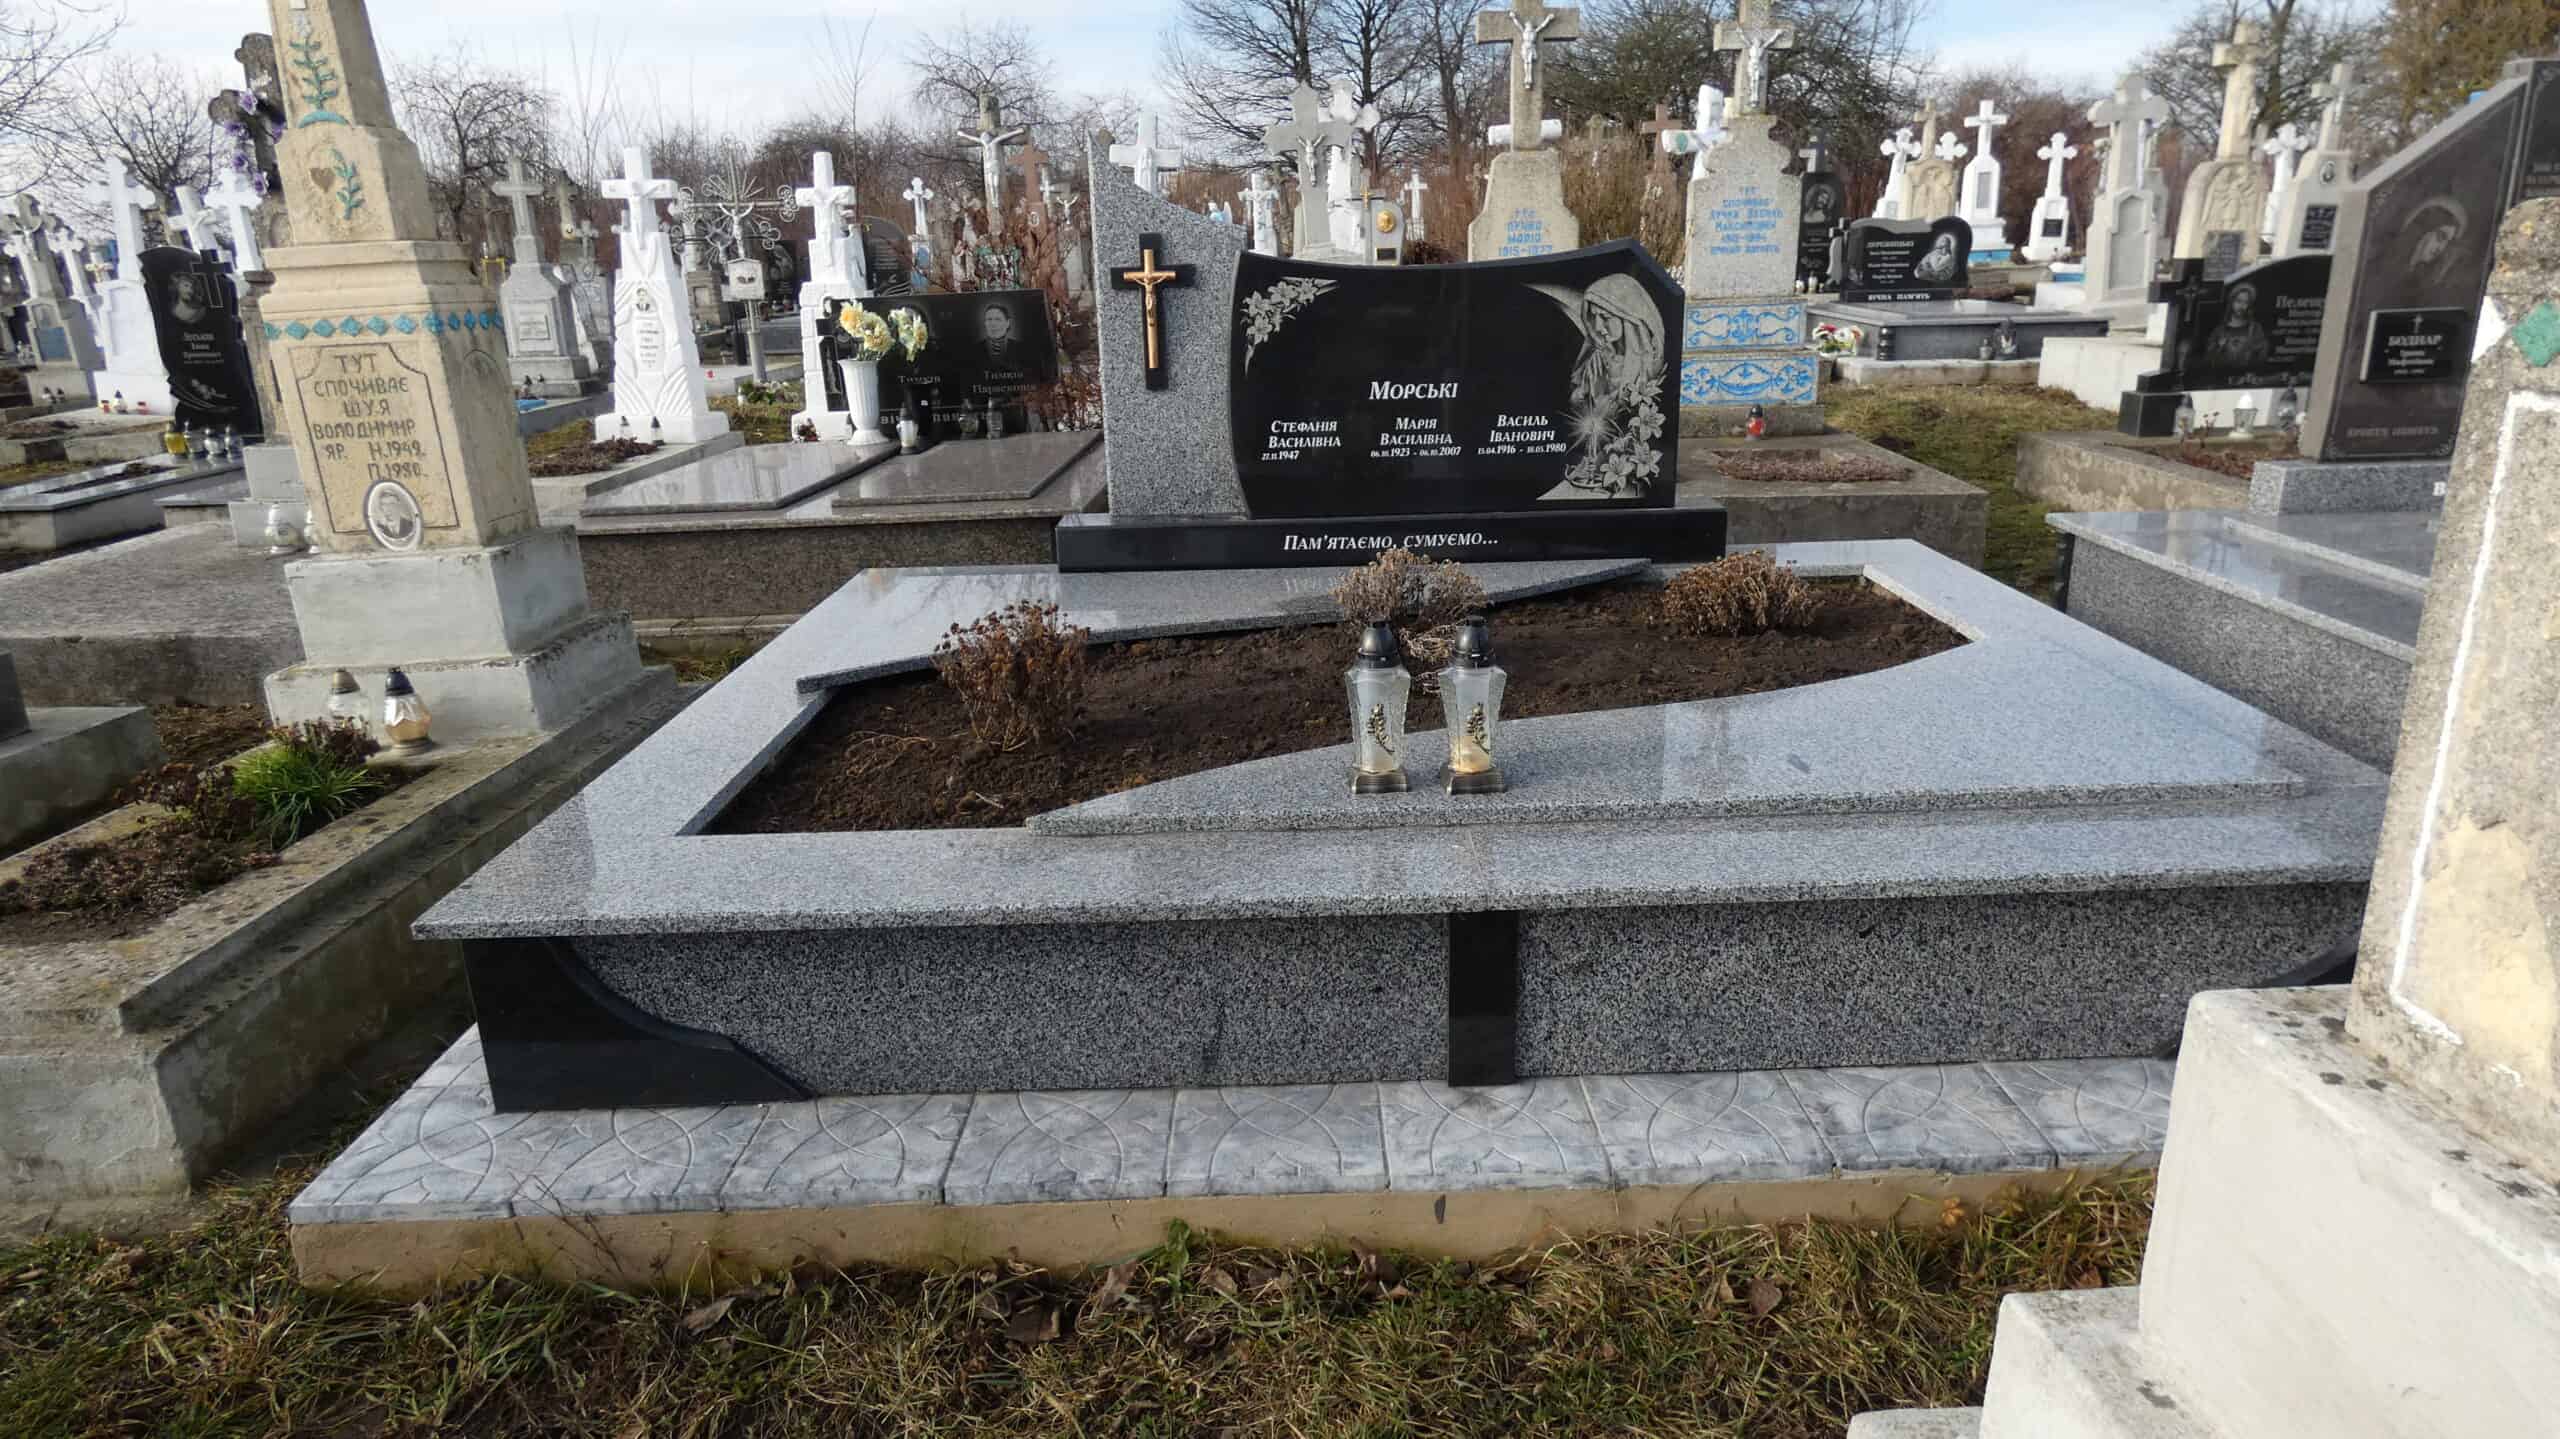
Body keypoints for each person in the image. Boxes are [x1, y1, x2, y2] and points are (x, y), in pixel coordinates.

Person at [2201, 281, 2270, 370]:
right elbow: (2208, 358)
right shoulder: (2220, 330)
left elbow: (2262, 354)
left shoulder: (2255, 328)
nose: (2241, 306)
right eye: (2238, 301)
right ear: (2231, 302)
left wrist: (2253, 350)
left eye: (2246, 302)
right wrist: (2219, 347)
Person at [978, 300, 1020, 366]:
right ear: (985, 323)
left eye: (998, 319)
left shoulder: (1021, 348)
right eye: (989, 319)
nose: (993, 324)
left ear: (1007, 323)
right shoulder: (974, 350)